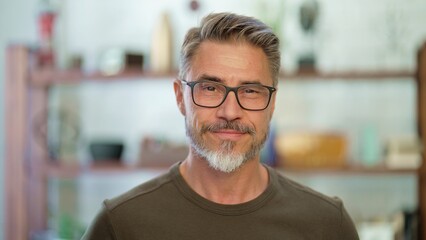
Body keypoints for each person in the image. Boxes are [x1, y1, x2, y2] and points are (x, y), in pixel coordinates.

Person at [81, 12, 359, 239]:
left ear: (272, 104)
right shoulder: (120, 226)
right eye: (211, 88)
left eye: (250, 91)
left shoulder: (327, 225)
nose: (230, 111)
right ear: (180, 97)